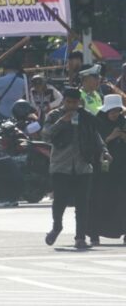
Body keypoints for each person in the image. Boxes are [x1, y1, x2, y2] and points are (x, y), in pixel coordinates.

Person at [42, 88, 112, 249]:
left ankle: (80, 237)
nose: (72, 106)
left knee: (83, 204)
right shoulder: (54, 116)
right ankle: (57, 227)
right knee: (59, 202)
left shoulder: (85, 117)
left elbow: (95, 135)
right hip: (61, 166)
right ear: (63, 101)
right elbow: (46, 134)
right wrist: (63, 121)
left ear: (79, 102)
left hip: (83, 166)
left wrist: (104, 151)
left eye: (75, 102)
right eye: (69, 102)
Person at [89, 94, 126, 245]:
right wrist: (111, 137)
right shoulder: (97, 123)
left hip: (121, 170)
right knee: (98, 200)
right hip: (102, 172)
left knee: (122, 202)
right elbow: (93, 144)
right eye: (112, 112)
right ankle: (94, 233)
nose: (115, 115)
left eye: (117, 111)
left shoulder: (122, 122)